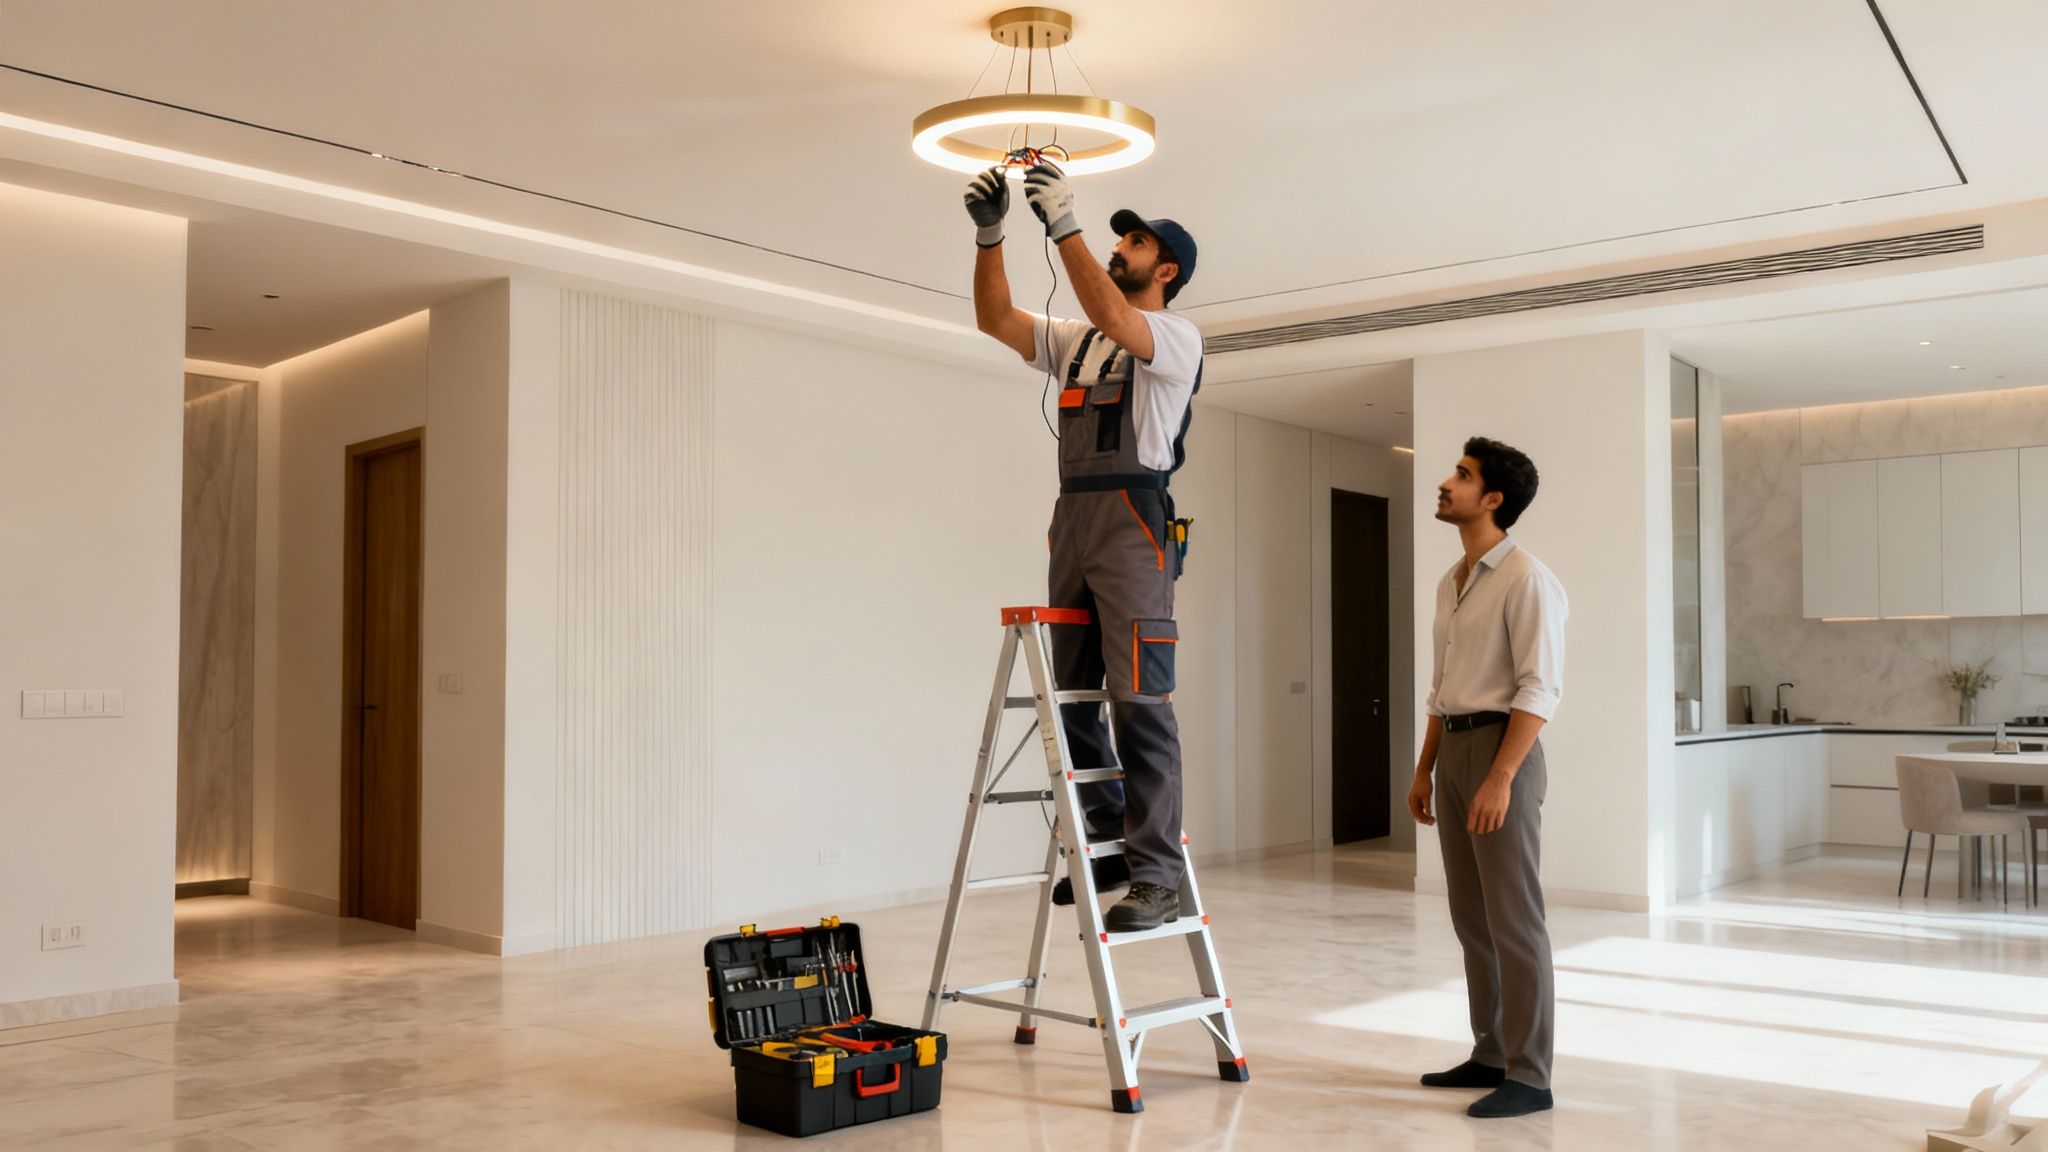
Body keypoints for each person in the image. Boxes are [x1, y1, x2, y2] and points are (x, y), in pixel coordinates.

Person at [961, 159, 1202, 932]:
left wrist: (1064, 224)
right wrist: (992, 236)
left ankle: (1157, 876)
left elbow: (1118, 318)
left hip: (1135, 521)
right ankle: (1104, 844)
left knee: (1140, 702)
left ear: (1164, 270)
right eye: (1117, 237)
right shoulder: (1076, 342)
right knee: (1069, 698)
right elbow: (996, 320)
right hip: (1073, 517)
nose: (1119, 247)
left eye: (1133, 243)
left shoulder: (1170, 336)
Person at [1407, 437, 1568, 1119]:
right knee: (1472, 918)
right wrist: (1425, 767)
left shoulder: (1527, 578)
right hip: (1455, 752)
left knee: (1515, 920)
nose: (1446, 483)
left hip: (1505, 752)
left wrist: (1501, 778)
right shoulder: (1453, 580)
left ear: (1493, 499)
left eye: (1462, 476)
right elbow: (1444, 689)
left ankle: (1531, 1075)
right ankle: (1491, 1051)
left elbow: (1539, 690)